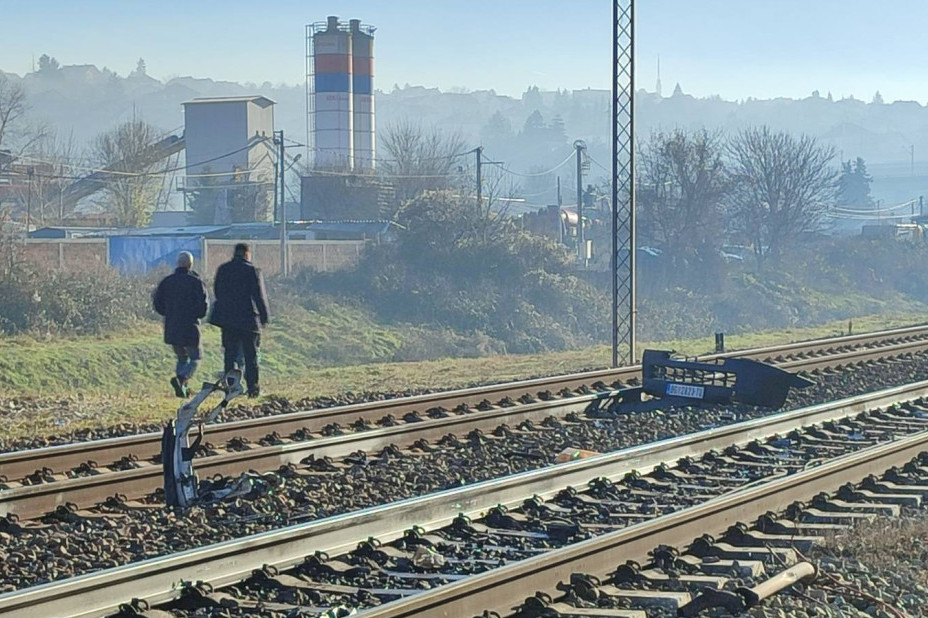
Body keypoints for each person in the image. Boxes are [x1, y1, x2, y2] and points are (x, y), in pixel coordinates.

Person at [209, 242, 269, 398]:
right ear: (247, 254)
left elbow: (217, 291)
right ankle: (253, 389)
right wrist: (264, 317)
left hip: (228, 320)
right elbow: (259, 296)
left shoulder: (223, 270)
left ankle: (231, 387)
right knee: (251, 357)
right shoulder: (253, 271)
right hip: (248, 320)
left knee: (230, 355)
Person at [153, 251, 209, 398]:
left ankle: (182, 390)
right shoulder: (196, 282)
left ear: (177, 264)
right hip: (190, 327)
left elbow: (157, 303)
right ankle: (181, 379)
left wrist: (169, 313)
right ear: (190, 264)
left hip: (172, 326)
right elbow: (203, 307)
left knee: (182, 358)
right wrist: (196, 314)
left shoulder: (167, 282)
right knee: (196, 358)